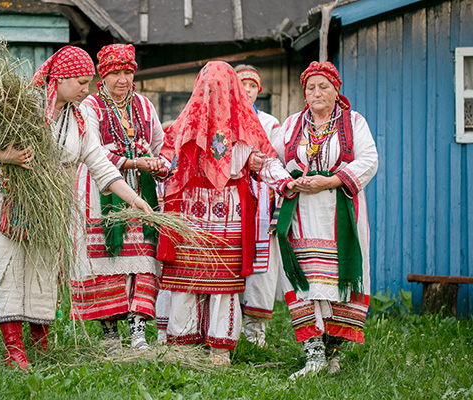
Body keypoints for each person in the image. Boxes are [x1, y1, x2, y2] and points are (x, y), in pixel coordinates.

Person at [0, 46, 152, 370]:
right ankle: (14, 349)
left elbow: (100, 164)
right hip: (7, 196)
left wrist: (134, 200)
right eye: (81, 82)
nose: (87, 89)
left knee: (45, 268)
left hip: (50, 203)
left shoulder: (78, 118)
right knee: (9, 266)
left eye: (88, 82)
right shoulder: (23, 105)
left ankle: (40, 342)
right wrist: (8, 156)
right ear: (59, 79)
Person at [258, 61, 378, 379]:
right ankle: (313, 355)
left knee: (339, 283)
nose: (316, 92)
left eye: (323, 86)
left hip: (339, 215)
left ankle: (332, 353)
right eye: (310, 87)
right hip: (301, 215)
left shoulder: (354, 122)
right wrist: (287, 182)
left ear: (336, 90)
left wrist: (331, 181)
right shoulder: (292, 125)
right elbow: (269, 159)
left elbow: (369, 159)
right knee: (305, 283)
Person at [157, 61, 278, 366]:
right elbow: (167, 161)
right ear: (200, 89)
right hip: (191, 211)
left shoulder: (245, 125)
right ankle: (183, 344)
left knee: (223, 281)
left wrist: (284, 180)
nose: (214, 94)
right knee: (186, 275)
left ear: (231, 90)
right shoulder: (185, 123)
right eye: (208, 88)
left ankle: (219, 350)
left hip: (228, 213)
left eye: (220, 88)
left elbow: (264, 160)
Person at [69, 44, 166, 351]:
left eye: (128, 72)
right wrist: (133, 162)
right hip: (101, 190)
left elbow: (160, 145)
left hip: (141, 189)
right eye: (115, 73)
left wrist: (159, 165)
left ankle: (138, 331)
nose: (122, 79)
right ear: (103, 75)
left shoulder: (144, 106)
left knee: (143, 258)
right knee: (106, 258)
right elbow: (91, 150)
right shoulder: (90, 106)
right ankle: (110, 333)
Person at [234, 64, 282, 347]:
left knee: (261, 265)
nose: (247, 90)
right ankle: (228, 327)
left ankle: (255, 334)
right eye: (242, 84)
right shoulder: (225, 118)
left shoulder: (269, 123)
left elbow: (276, 158)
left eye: (252, 86)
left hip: (262, 204)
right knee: (232, 259)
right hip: (232, 202)